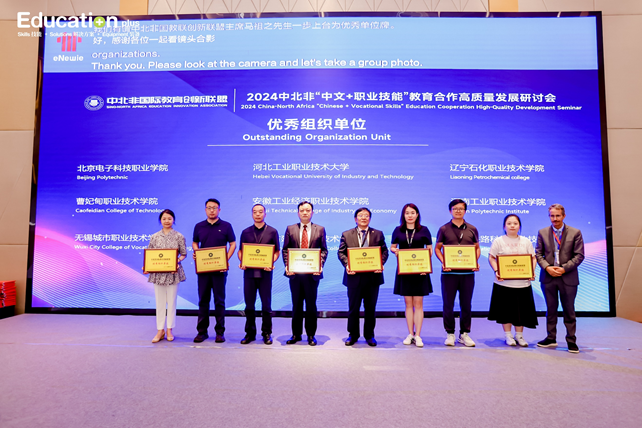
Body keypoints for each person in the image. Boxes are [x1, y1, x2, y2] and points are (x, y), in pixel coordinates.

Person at [535, 203, 585, 353]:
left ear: (564, 216)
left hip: (568, 277)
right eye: (552, 216)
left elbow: (579, 255)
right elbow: (538, 254)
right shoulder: (542, 232)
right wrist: (547, 267)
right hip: (548, 277)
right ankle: (551, 338)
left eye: (558, 215)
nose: (555, 219)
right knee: (551, 309)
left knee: (569, 310)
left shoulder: (575, 233)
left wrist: (563, 268)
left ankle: (571, 340)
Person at [338, 207, 389, 346]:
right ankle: (353, 335)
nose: (363, 218)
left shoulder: (378, 234)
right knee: (353, 309)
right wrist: (347, 265)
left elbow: (384, 251)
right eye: (360, 215)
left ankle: (369, 335)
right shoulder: (347, 234)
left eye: (366, 215)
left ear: (370, 218)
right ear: (355, 219)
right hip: (354, 277)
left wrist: (380, 263)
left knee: (370, 309)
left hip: (373, 278)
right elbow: (341, 253)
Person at [435, 199, 480, 347]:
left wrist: (475, 261)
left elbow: (477, 248)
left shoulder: (472, 229)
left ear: (465, 211)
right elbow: (437, 249)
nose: (458, 211)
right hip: (449, 274)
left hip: (467, 274)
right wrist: (444, 262)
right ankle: (450, 333)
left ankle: (464, 334)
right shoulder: (443, 229)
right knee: (448, 304)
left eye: (461, 209)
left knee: (466, 304)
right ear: (450, 211)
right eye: (455, 209)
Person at [487, 214, 538, 347]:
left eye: (515, 223)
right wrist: (497, 271)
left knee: (521, 311)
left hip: (523, 283)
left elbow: (533, 258)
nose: (512, 226)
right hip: (504, 283)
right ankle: (508, 335)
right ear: (504, 226)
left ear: (519, 226)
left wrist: (531, 272)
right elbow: (492, 257)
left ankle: (519, 336)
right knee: (506, 311)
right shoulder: (498, 241)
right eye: (509, 223)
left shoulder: (526, 241)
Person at [282, 201, 328, 346]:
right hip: (295, 274)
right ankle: (296, 334)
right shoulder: (290, 229)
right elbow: (285, 250)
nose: (305, 213)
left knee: (311, 305)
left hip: (312, 275)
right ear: (298, 213)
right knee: (296, 305)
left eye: (308, 210)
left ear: (312, 212)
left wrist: (319, 264)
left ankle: (311, 335)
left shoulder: (320, 229)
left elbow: (324, 250)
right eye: (302, 210)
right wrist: (288, 265)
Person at [192, 198, 236, 343]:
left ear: (219, 210)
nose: (212, 210)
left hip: (220, 270)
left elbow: (233, 244)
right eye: (209, 208)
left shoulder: (226, 226)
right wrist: (197, 253)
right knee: (203, 301)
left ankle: (220, 332)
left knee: (219, 301)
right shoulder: (199, 226)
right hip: (204, 270)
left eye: (214, 208)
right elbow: (195, 242)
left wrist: (226, 259)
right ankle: (202, 332)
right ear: (205, 210)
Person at [390, 203, 433, 347]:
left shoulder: (424, 230)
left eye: (412, 212)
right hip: (405, 271)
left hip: (420, 271)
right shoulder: (398, 230)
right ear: (403, 215)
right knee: (408, 304)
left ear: (417, 214)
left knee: (418, 304)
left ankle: (418, 335)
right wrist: (395, 251)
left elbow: (429, 250)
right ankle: (410, 334)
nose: (410, 215)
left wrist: (426, 266)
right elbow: (393, 247)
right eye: (407, 213)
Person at [238, 204, 280, 345]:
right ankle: (250, 333)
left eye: (260, 212)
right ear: (252, 214)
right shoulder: (245, 232)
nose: (257, 214)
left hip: (265, 274)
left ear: (265, 214)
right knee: (249, 306)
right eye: (255, 212)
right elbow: (241, 251)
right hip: (249, 274)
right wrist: (242, 261)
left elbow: (276, 251)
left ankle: (266, 333)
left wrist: (271, 262)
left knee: (266, 305)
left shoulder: (272, 231)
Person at [146, 209, 187, 343]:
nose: (167, 221)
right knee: (160, 303)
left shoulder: (179, 236)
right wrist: (146, 266)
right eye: (164, 219)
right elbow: (150, 255)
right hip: (158, 274)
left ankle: (169, 329)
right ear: (160, 220)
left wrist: (177, 261)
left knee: (171, 302)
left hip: (173, 273)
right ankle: (160, 330)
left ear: (173, 220)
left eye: (169, 218)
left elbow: (183, 254)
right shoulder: (154, 237)